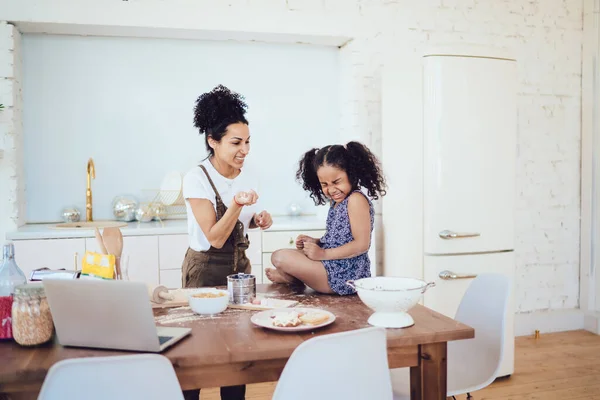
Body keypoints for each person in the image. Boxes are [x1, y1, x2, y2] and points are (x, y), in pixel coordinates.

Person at [181, 84, 272, 400]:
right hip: (205, 270)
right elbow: (215, 236)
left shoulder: (246, 172)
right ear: (213, 141)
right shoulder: (197, 177)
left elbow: (245, 223)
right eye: (236, 143)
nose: (244, 150)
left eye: (247, 142)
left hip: (239, 270)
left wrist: (260, 219)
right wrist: (237, 203)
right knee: (198, 352)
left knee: (238, 350)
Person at [265, 141, 387, 295]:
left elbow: (361, 245)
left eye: (336, 182)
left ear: (351, 173)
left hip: (345, 275)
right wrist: (316, 242)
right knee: (278, 255)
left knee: (281, 258)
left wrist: (322, 254)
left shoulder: (356, 200)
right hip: (331, 265)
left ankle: (294, 279)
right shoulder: (337, 202)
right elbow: (339, 239)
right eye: (324, 184)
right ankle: (294, 279)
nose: (331, 189)